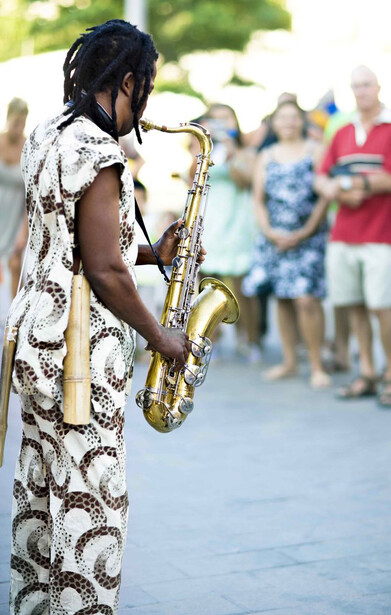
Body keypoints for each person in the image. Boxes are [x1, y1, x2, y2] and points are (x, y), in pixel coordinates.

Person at [6, 19, 203, 614]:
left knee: (44, 495)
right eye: (147, 89)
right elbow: (106, 272)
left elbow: (74, 244)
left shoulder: (46, 132)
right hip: (80, 359)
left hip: (35, 341)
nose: (148, 104)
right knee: (91, 501)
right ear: (126, 80)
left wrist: (152, 250)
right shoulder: (98, 150)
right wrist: (162, 338)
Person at [315, 65, 391, 407]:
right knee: (353, 303)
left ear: (379, 87)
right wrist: (337, 191)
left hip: (381, 234)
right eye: (356, 86)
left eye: (367, 84)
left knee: (384, 306)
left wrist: (349, 185)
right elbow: (321, 177)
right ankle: (367, 371)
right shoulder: (342, 131)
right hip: (344, 233)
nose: (361, 91)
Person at [243, 99, 331, 389]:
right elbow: (258, 198)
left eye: (294, 118)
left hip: (309, 236)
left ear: (302, 121)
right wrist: (269, 231)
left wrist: (306, 230)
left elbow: (324, 197)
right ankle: (290, 361)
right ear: (274, 123)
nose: (289, 123)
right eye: (283, 118)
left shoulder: (315, 151)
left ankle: (317, 364)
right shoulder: (266, 155)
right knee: (282, 298)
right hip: (275, 238)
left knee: (306, 300)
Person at [194, 103, 261, 361]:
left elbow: (244, 179)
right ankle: (212, 338)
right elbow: (193, 175)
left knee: (242, 286)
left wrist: (231, 151)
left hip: (236, 219)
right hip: (210, 217)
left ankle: (249, 339)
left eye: (226, 119)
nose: (222, 124)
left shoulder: (245, 151)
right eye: (216, 119)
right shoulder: (202, 146)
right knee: (207, 281)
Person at [0, 98, 28, 317]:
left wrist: (24, 230)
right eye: (16, 122)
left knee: (14, 265)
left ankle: (10, 320)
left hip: (16, 216)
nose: (19, 128)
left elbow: (31, 195)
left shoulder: (27, 147)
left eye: (23, 123)